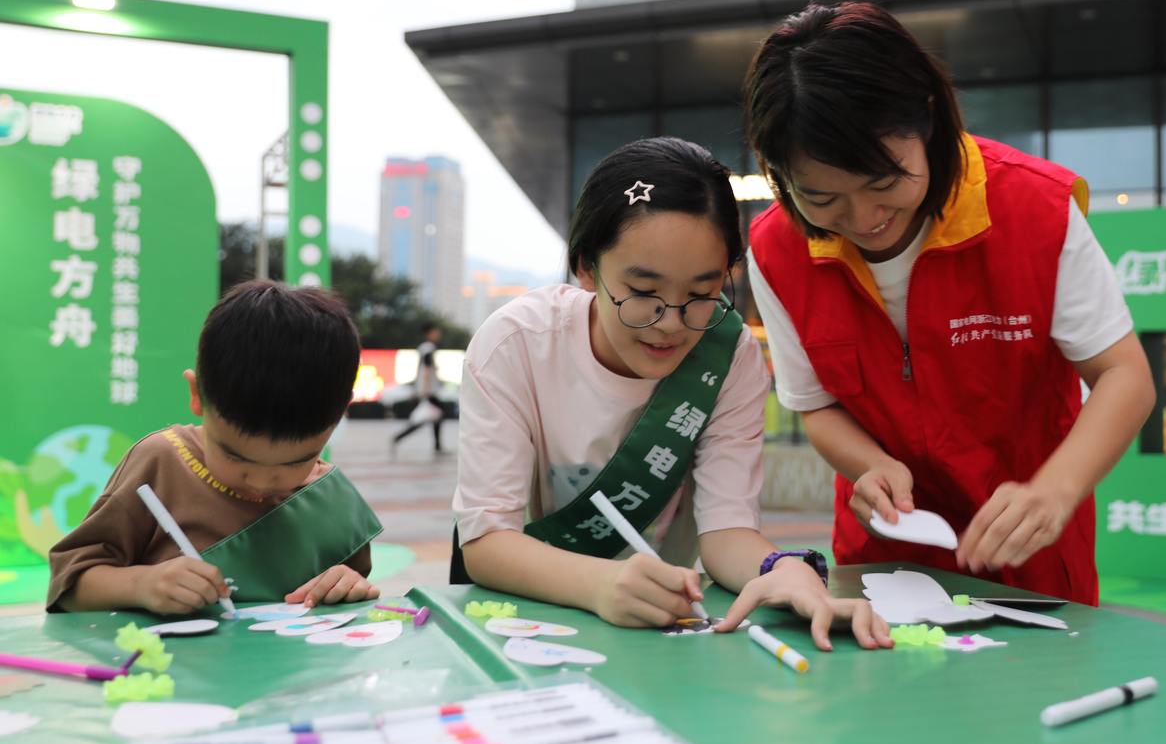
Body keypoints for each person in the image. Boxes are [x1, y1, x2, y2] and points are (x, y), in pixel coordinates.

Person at [745, 2, 1155, 605]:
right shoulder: (777, 251)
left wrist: (1054, 492)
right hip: (881, 570)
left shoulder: (1032, 211)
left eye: (884, 182)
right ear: (780, 174)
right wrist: (867, 465)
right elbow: (818, 406)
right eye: (824, 197)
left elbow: (1125, 375)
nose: (864, 220)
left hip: (1031, 558)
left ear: (927, 121)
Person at [452, 137, 892, 650]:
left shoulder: (730, 358)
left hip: (657, 632)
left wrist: (782, 570)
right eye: (643, 293)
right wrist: (599, 584)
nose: (670, 324)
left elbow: (727, 533)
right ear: (586, 267)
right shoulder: (516, 344)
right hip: (520, 624)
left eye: (702, 294)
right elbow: (486, 543)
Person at [47, 280, 383, 614]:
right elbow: (70, 584)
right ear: (196, 395)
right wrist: (141, 585)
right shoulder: (160, 463)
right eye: (235, 457)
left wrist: (346, 583)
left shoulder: (330, 498)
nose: (263, 483)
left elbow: (353, 585)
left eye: (298, 461)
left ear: (340, 415)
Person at [391, 320, 447, 456]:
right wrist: (424, 390)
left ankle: (437, 446)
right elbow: (426, 370)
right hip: (428, 391)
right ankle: (398, 437)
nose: (438, 333)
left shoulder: (424, 347)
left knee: (435, 416)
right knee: (426, 418)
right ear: (430, 332)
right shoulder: (428, 348)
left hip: (426, 390)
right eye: (436, 331)